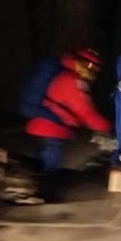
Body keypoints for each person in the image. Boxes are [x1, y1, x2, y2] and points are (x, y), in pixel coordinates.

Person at [20, 48, 113, 202]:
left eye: (94, 68)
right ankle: (43, 196)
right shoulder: (72, 81)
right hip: (50, 128)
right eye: (88, 65)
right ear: (79, 62)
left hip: (43, 126)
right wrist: (107, 127)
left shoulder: (66, 76)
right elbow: (85, 112)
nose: (91, 71)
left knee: (45, 164)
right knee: (49, 167)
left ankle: (34, 189)